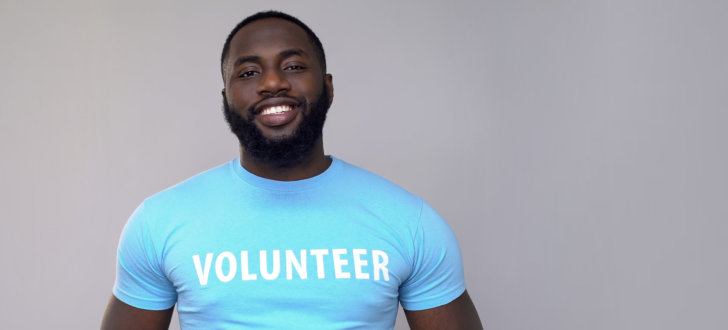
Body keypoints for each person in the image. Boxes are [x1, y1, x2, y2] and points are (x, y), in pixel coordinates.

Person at [100, 11, 484, 330]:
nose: (272, 82)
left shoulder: (410, 221)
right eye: (248, 73)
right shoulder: (159, 221)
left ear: (328, 87)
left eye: (294, 66)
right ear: (226, 98)